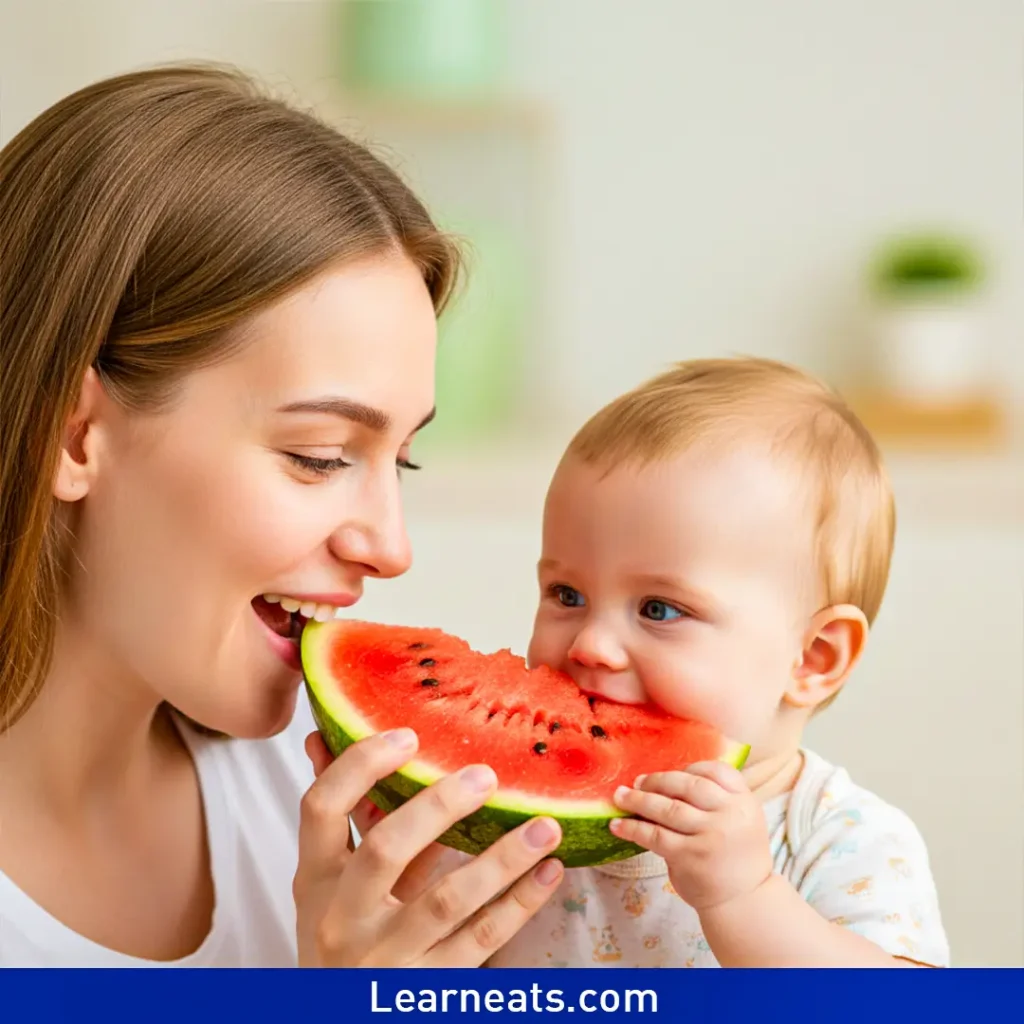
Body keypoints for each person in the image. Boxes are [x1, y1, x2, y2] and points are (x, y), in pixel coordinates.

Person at [0, 64, 565, 968]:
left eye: (402, 460)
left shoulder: (328, 797)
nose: (391, 548)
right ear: (72, 436)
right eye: (321, 456)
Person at [477, 356, 949, 967]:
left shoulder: (841, 838)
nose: (589, 644)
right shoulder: (506, 812)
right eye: (567, 595)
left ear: (813, 658)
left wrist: (744, 897)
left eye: (659, 609)